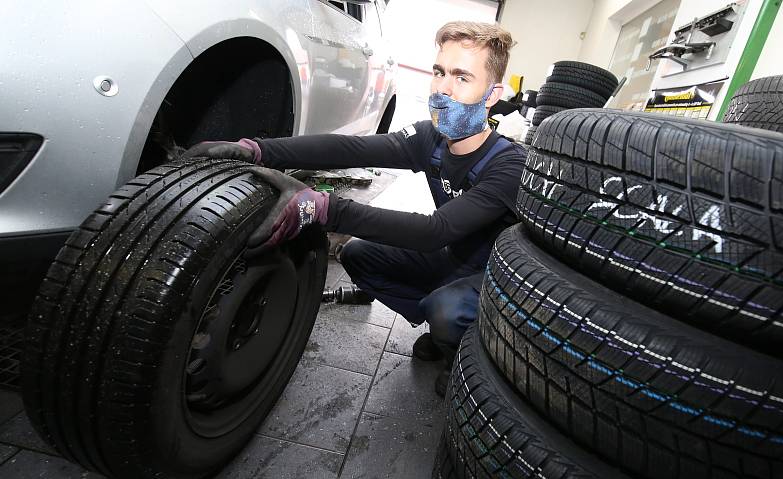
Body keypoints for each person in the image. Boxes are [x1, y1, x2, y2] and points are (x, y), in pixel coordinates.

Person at [183, 21, 526, 396]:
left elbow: (434, 231)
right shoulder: (432, 139)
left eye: (462, 78)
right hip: (453, 258)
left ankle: (462, 353)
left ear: (492, 95)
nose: (442, 89)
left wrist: (327, 209)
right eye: (439, 72)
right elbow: (352, 149)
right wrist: (261, 151)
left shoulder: (508, 166)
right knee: (358, 256)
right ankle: (438, 323)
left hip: (494, 279)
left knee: (447, 310)